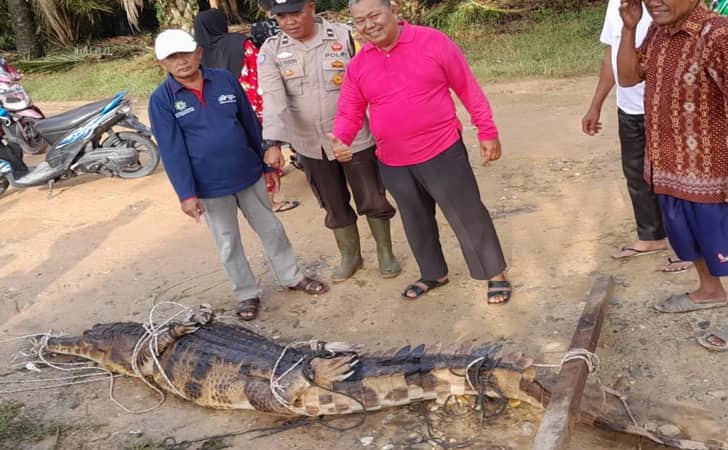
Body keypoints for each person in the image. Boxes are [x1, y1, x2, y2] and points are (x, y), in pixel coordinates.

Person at [331, 0, 512, 304]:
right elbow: (349, 111)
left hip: (442, 149)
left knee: (467, 215)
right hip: (393, 160)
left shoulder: (432, 41)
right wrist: (341, 138)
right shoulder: (359, 65)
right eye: (360, 21)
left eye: (374, 15)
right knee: (416, 220)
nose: (369, 25)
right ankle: (433, 273)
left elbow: (467, 87)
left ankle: (494, 273)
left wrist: (487, 130)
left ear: (393, 12)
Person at [148, 29, 328, 321]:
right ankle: (246, 294)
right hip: (209, 186)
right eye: (172, 57)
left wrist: (268, 163)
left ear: (198, 52)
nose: (181, 61)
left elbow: (249, 123)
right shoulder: (162, 100)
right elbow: (171, 150)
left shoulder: (224, 80)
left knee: (271, 229)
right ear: (162, 64)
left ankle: (291, 276)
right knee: (228, 241)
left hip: (247, 172)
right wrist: (186, 194)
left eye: (185, 53)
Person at [257, 0, 401, 283]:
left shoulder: (345, 36)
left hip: (355, 138)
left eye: (295, 13)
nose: (289, 22)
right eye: (281, 16)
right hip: (310, 144)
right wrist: (272, 142)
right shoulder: (271, 49)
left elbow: (372, 80)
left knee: (372, 195)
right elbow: (273, 99)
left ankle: (386, 252)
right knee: (333, 202)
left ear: (310, 7)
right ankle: (350, 255)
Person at [617, 0, 728, 316]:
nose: (653, 1)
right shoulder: (658, 30)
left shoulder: (717, 33)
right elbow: (628, 78)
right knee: (688, 237)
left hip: (711, 171)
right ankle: (710, 290)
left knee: (721, 238)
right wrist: (628, 29)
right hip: (668, 166)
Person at [582, 0, 691, 273]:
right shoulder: (617, 5)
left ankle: (689, 248)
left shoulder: (670, 4)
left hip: (668, 109)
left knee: (676, 180)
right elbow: (612, 54)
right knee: (635, 175)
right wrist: (596, 104)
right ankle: (651, 236)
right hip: (629, 107)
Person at [194, 8, 300, 213]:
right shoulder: (239, 43)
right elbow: (260, 70)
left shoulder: (197, 53)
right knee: (264, 146)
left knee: (244, 149)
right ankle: (270, 201)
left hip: (221, 111)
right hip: (250, 105)